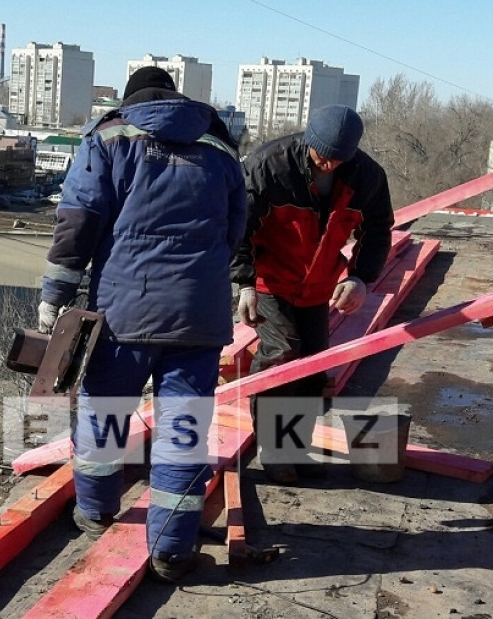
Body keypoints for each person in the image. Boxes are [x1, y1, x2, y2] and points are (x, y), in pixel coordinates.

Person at [38, 66, 246, 582]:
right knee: (184, 430)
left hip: (124, 313)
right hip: (200, 315)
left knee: (105, 414)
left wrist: (55, 295)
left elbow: (79, 221)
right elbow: (236, 230)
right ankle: (171, 550)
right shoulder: (220, 148)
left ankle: (95, 511)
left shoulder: (108, 139)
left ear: (132, 101)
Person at [231, 104, 394, 485]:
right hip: (271, 281)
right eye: (321, 155)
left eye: (337, 159)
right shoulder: (268, 166)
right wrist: (244, 283)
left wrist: (360, 278)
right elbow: (237, 226)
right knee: (282, 353)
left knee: (312, 366)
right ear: (309, 141)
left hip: (318, 286)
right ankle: (276, 450)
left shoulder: (367, 177)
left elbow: (378, 229)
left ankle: (295, 447)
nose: (328, 164)